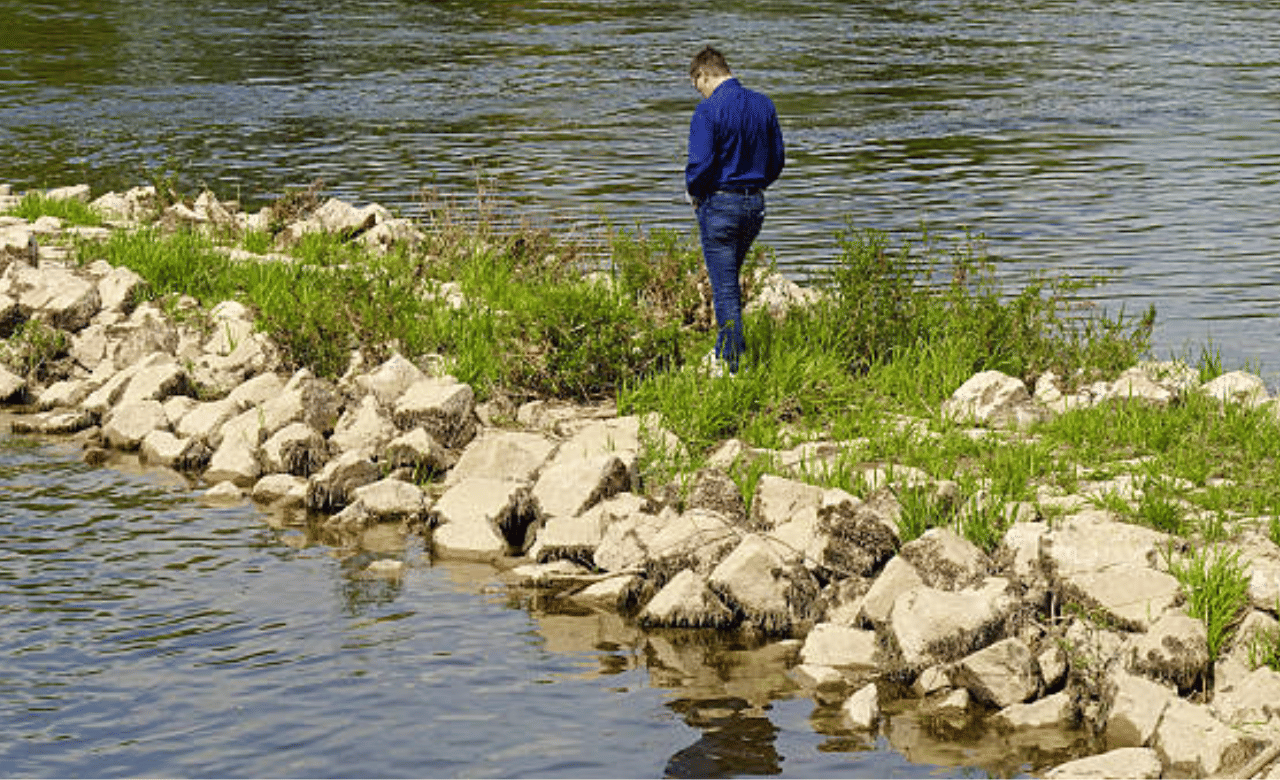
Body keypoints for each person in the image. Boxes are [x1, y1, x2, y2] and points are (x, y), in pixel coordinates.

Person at [685, 45, 785, 376]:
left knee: (725, 287)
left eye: (696, 85)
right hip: (755, 206)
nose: (699, 93)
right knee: (727, 280)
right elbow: (776, 162)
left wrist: (695, 194)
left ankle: (729, 365)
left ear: (703, 75)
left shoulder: (708, 111)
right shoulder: (764, 104)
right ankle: (721, 352)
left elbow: (700, 165)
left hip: (720, 206)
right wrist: (755, 187)